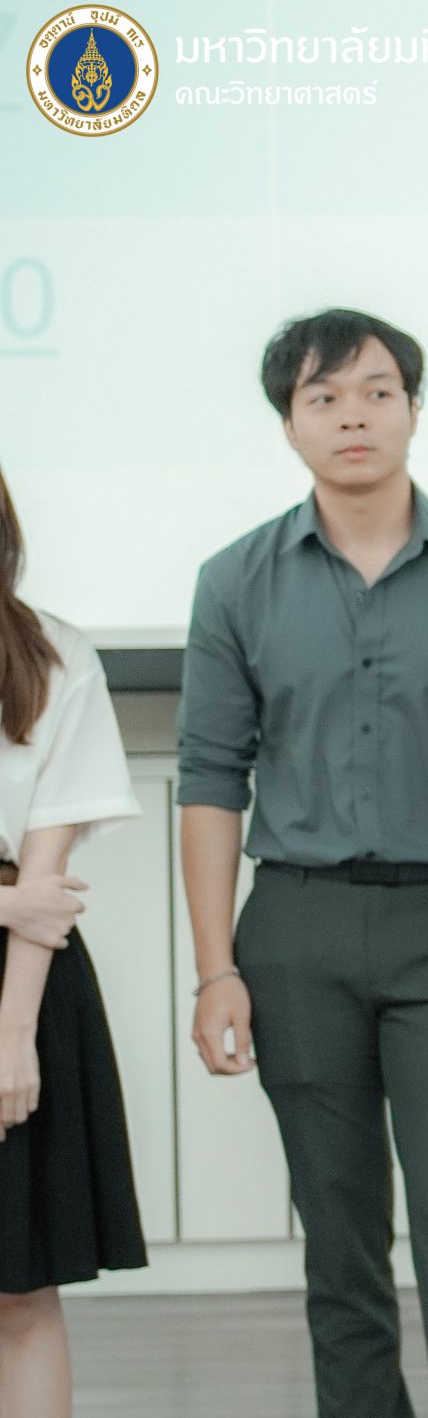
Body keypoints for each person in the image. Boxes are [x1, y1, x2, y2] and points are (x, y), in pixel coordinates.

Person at [179, 309, 428, 1418]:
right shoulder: (236, 581)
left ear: (413, 409)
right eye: (324, 397)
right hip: (293, 936)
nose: (353, 416)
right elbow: (210, 780)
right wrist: (216, 970)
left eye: (378, 392)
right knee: (340, 1246)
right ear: (289, 423)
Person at [0, 465, 146, 1418]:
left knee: (19, 1288)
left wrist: (12, 1038)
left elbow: (44, 890)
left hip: (23, 981)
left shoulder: (54, 654)